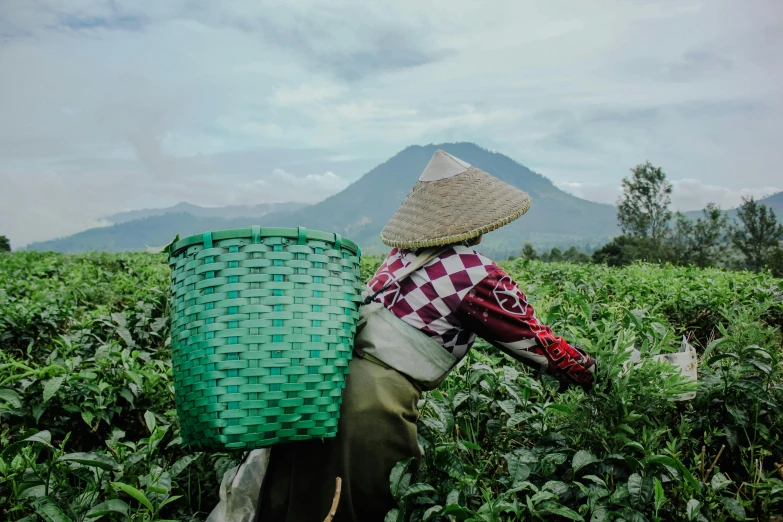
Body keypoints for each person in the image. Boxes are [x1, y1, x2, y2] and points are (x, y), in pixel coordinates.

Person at [255, 149, 596, 521]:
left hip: (323, 387)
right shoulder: (477, 276)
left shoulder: (400, 256)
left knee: (304, 502)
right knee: (363, 508)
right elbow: (540, 347)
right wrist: (598, 374)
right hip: (372, 405)